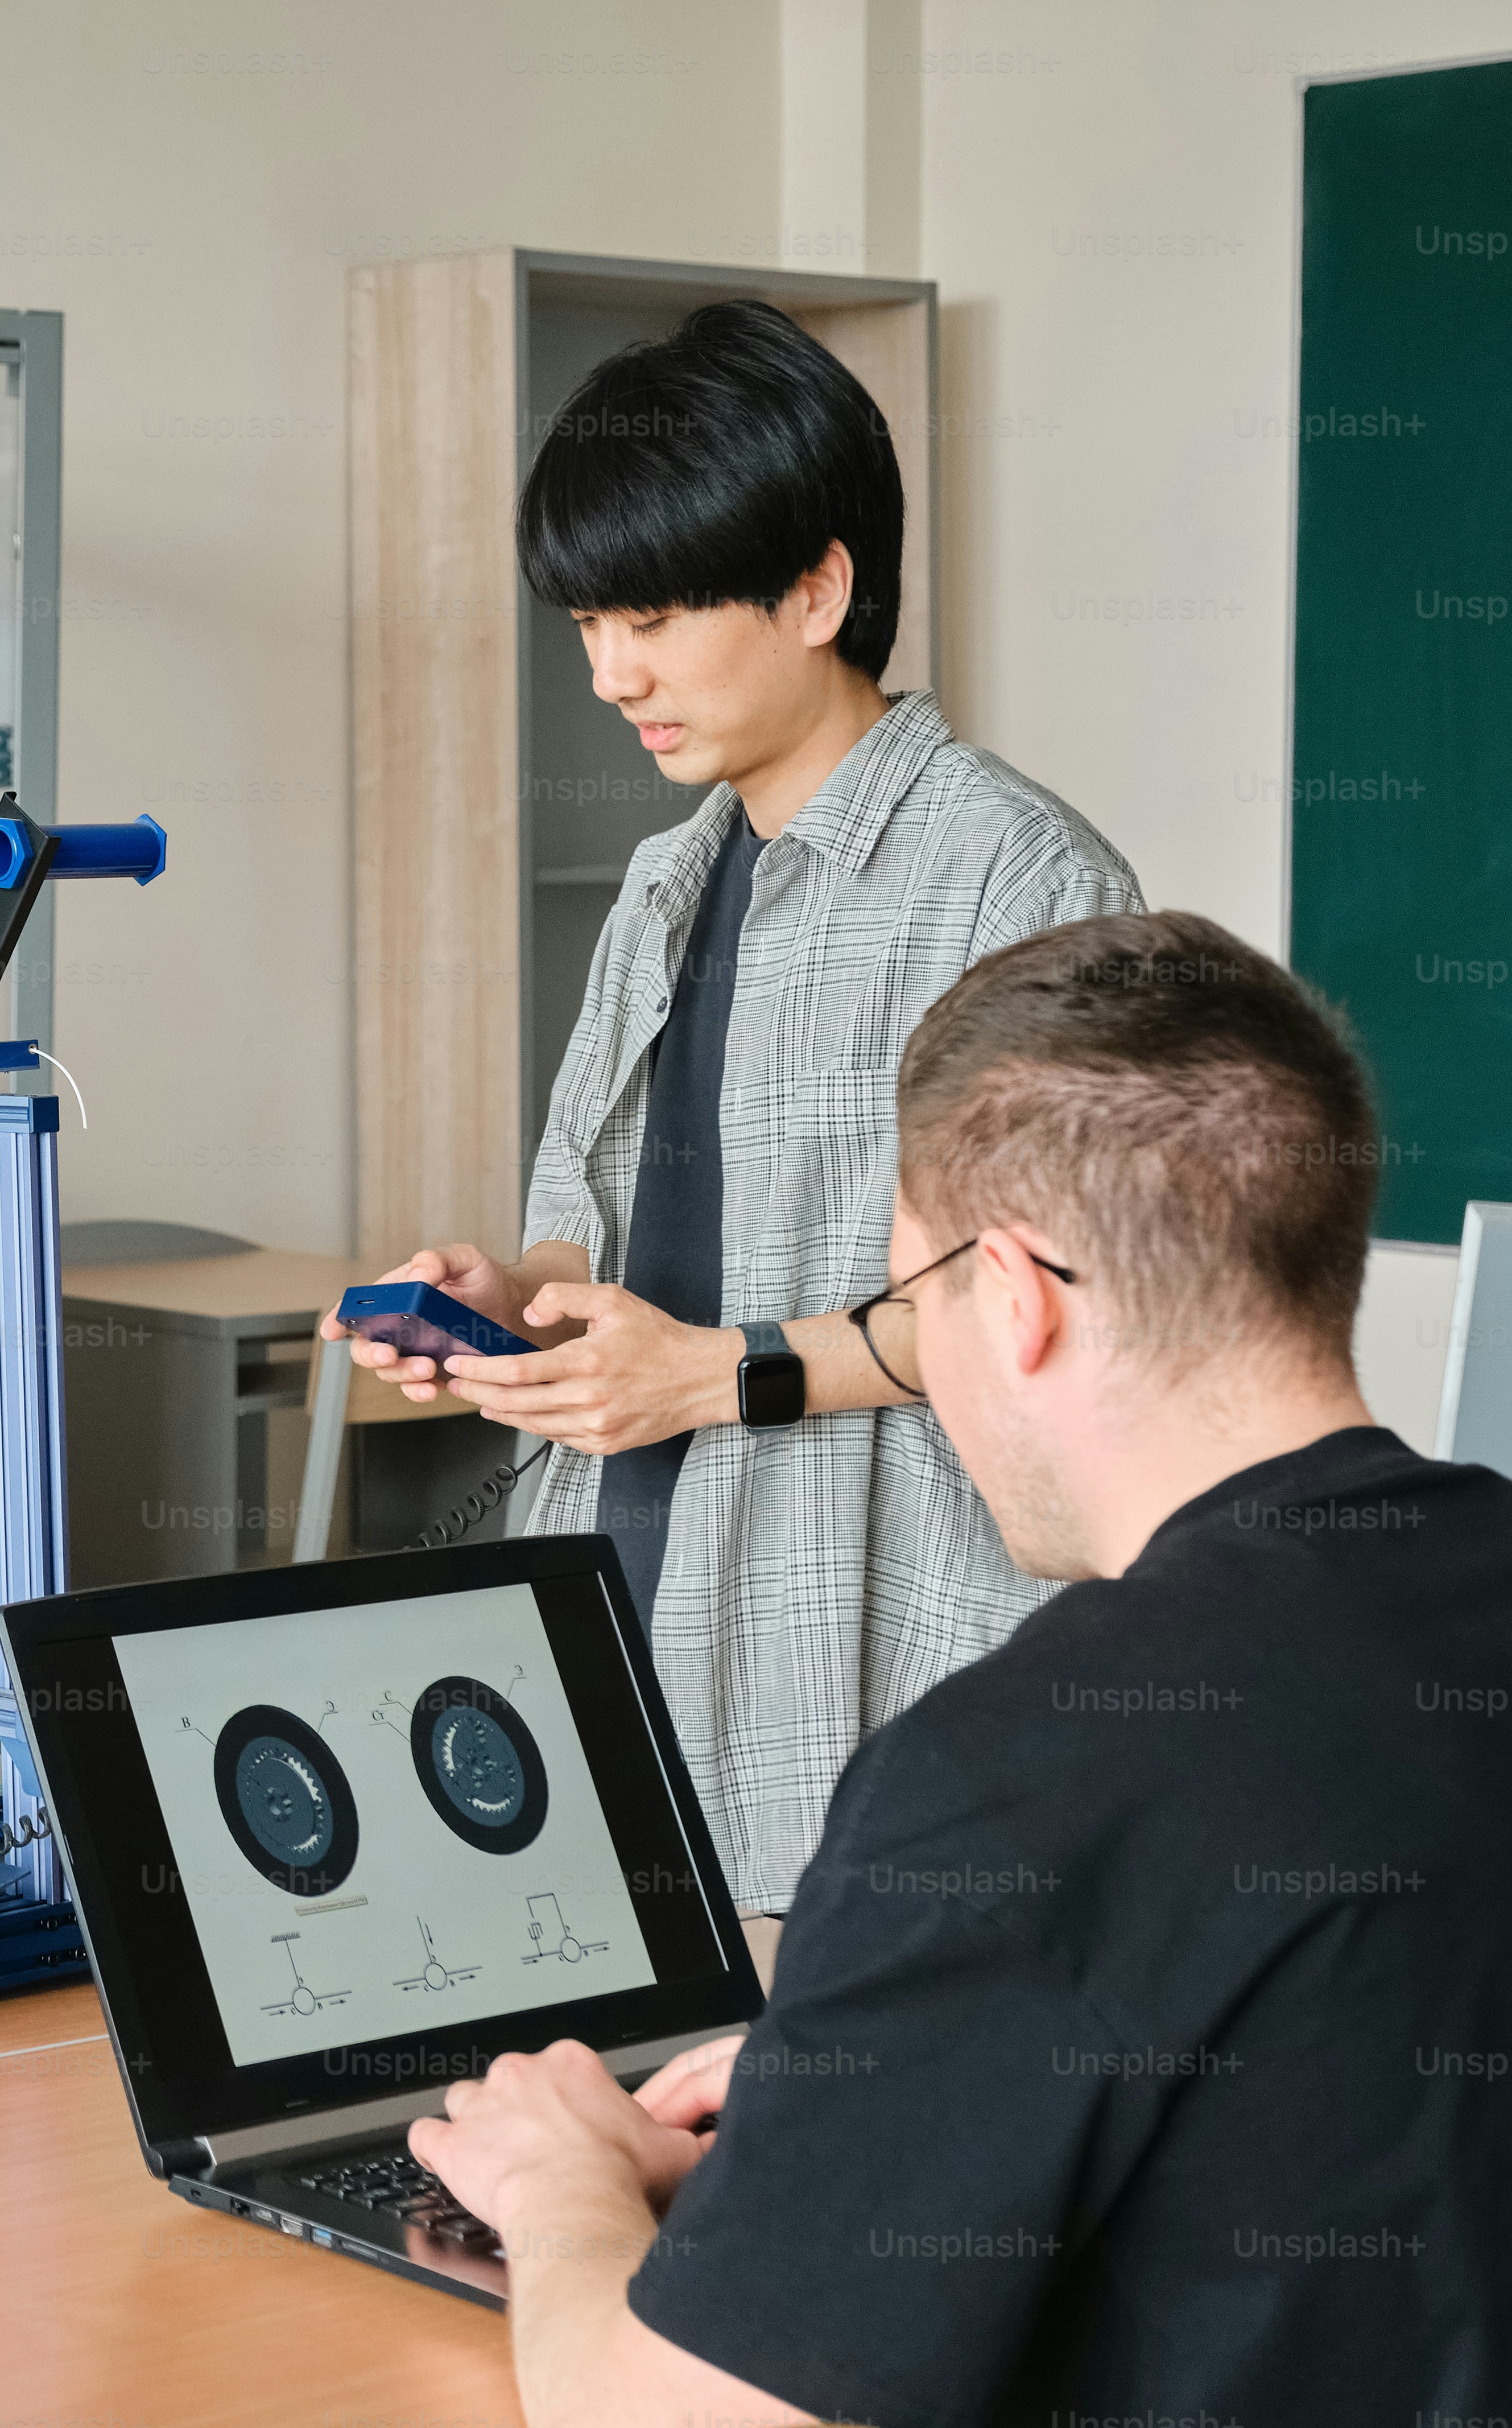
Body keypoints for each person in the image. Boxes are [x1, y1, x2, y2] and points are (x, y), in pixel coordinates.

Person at [408, 912, 1512, 2426]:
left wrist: (558, 2185)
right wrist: (891, 2070)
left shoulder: (1022, 1768)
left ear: (1017, 1294)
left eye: (907, 1307)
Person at [328, 301, 1140, 1910]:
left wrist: (720, 1377)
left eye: (655, 614)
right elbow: (591, 1221)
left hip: (870, 1643)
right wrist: (506, 1304)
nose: (611, 670)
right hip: (624, 1598)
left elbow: (1040, 1295)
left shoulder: (1022, 878)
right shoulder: (664, 880)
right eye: (585, 621)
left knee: (823, 2114)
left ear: (818, 589)